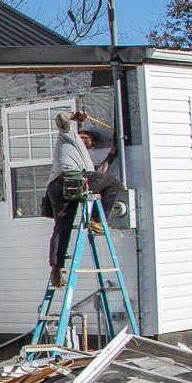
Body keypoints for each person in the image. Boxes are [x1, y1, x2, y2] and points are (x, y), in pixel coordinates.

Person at [44, 112, 127, 285]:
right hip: (70, 179)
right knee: (114, 183)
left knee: (62, 227)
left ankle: (56, 268)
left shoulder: (83, 158)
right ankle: (96, 219)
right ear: (83, 135)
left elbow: (98, 176)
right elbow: (61, 118)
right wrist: (74, 116)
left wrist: (112, 155)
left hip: (58, 186)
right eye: (91, 140)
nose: (92, 144)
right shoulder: (69, 134)